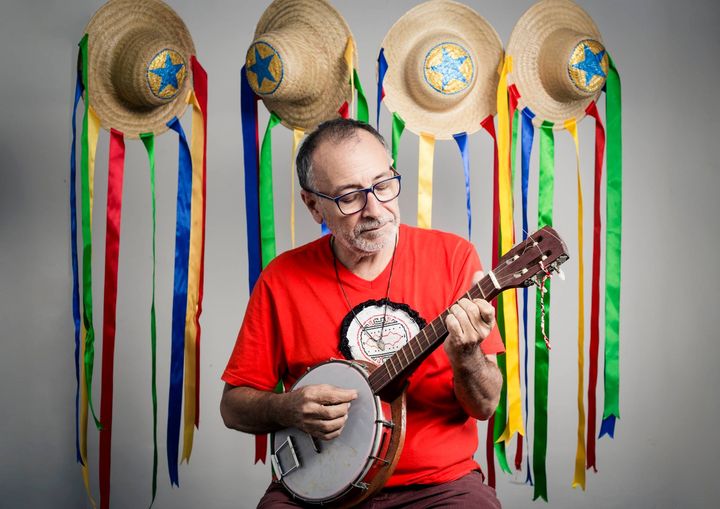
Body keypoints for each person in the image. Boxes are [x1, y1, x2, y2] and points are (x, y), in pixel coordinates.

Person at [221, 118, 504, 508]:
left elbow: (485, 407)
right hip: (316, 492)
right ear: (313, 205)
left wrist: (468, 357)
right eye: (350, 196)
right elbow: (232, 407)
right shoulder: (281, 279)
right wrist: (288, 407)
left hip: (436, 486)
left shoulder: (454, 258)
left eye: (383, 184)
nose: (375, 208)